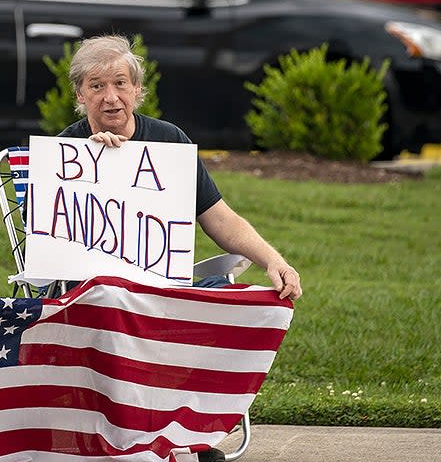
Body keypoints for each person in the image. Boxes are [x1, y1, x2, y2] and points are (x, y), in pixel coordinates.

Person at [59, 35, 302, 461]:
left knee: (225, 300)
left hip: (163, 292)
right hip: (96, 297)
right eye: (97, 86)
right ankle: (157, 439)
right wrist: (95, 166)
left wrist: (273, 259)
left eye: (120, 83)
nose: (110, 97)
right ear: (80, 95)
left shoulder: (169, 141)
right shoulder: (66, 152)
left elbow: (220, 218)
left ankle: (188, 433)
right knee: (113, 306)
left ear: (137, 90)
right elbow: (53, 245)